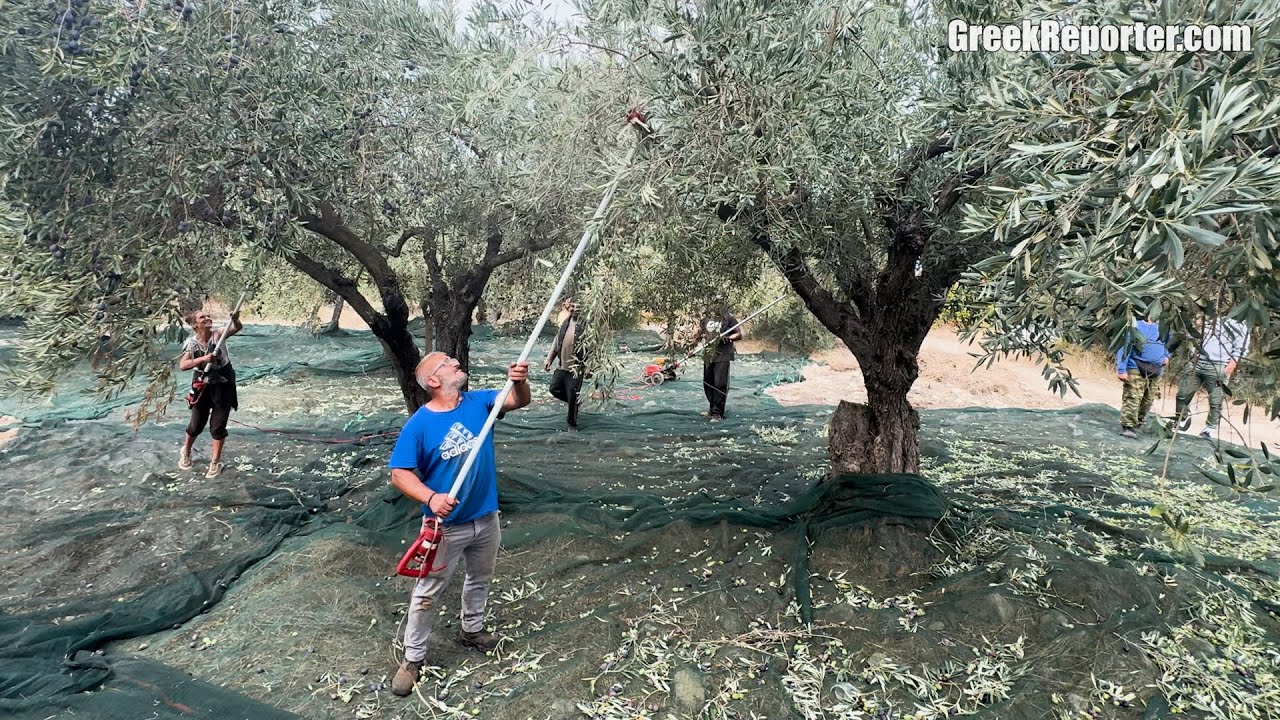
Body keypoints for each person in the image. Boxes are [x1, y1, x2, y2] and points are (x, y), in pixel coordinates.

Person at [387, 351, 531, 697]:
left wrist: (520, 380)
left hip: (486, 516)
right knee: (428, 591)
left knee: (479, 577)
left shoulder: (479, 402)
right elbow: (399, 473)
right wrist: (431, 498)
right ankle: (413, 658)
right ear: (434, 381)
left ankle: (472, 629)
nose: (455, 362)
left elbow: (516, 400)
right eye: (447, 362)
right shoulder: (419, 425)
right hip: (446, 526)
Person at [178, 308, 243, 478]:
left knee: (218, 425)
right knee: (196, 424)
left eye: (208, 316)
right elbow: (183, 365)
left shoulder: (219, 334)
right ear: (195, 325)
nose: (207, 318)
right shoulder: (191, 343)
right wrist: (202, 360)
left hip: (223, 383)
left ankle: (215, 461)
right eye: (202, 317)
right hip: (202, 383)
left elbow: (237, 328)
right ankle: (186, 451)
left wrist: (235, 319)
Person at [1175, 314, 1249, 440]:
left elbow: (1241, 349)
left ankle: (1210, 428)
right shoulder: (1205, 316)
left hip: (1218, 365)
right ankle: (1181, 419)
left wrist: (1228, 368)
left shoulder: (1239, 324)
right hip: (1196, 362)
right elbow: (1191, 335)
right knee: (1183, 394)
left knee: (1216, 400)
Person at [1114, 314, 1169, 438]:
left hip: (1156, 369)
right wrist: (1122, 369)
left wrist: (1166, 356)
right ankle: (1128, 425)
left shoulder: (1164, 328)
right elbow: (1124, 347)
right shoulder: (1135, 326)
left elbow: (1168, 343)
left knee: (1148, 399)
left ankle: (1138, 423)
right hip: (1135, 365)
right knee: (1133, 396)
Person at [544, 296, 589, 431]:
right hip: (562, 367)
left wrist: (589, 368)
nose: (575, 309)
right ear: (569, 307)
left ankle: (572, 424)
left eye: (578, 307)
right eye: (573, 306)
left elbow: (592, 348)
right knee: (554, 389)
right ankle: (574, 403)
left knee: (572, 393)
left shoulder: (586, 327)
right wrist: (549, 359)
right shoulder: (565, 323)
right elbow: (556, 342)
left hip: (576, 369)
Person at [697, 299, 741, 422]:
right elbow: (699, 334)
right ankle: (712, 408)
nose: (716, 305)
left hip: (723, 355)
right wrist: (692, 347)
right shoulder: (705, 319)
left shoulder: (729, 319)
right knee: (708, 383)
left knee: (719, 384)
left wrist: (727, 337)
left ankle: (718, 413)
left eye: (719, 303)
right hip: (708, 355)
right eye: (714, 302)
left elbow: (738, 334)